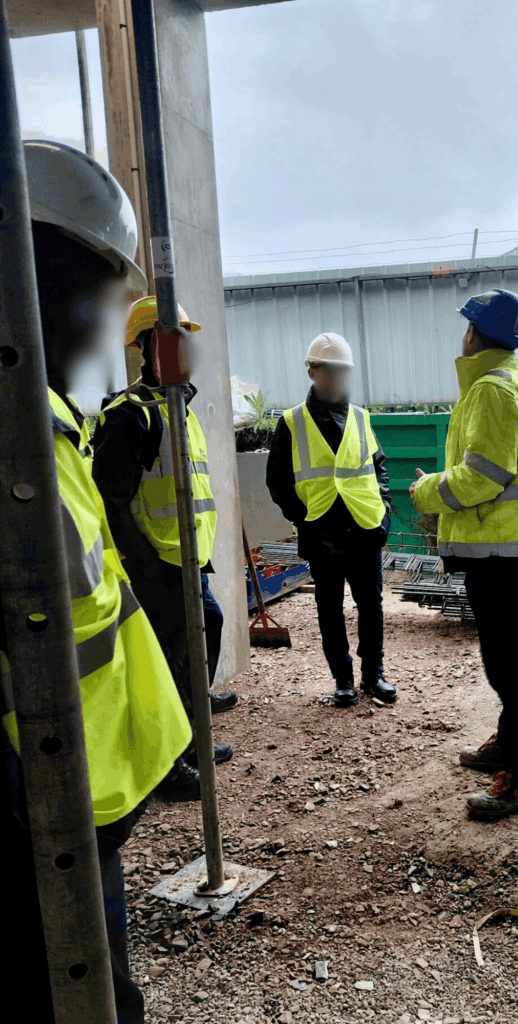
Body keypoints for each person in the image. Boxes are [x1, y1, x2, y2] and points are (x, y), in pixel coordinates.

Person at [0, 139, 193, 1023]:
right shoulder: (41, 431)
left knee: (105, 979)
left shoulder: (49, 418)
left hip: (86, 784)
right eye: (102, 293)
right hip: (43, 791)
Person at [410, 289, 518, 820]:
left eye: (466, 327)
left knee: (507, 667)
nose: (463, 335)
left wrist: (427, 490)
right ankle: (508, 746)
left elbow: (483, 476)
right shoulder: (516, 386)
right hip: (515, 549)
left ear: (476, 334)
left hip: (504, 554)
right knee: (505, 661)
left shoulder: (491, 391)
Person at [91, 295, 236, 789]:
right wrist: (146, 564)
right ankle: (170, 764)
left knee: (203, 633)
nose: (185, 351)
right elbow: (110, 500)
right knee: (168, 658)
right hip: (159, 563)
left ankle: (190, 737)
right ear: (149, 346)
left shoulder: (179, 407)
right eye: (174, 340)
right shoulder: (130, 415)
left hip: (188, 558)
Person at [266, 333, 397, 707]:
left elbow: (378, 468)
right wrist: (304, 519)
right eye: (332, 370)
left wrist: (383, 512)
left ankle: (374, 675)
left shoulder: (360, 417)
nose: (340, 378)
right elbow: (277, 481)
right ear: (312, 371)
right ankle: (343, 680)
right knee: (330, 607)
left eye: (344, 371)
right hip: (321, 530)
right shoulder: (292, 422)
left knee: (370, 606)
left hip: (365, 528)